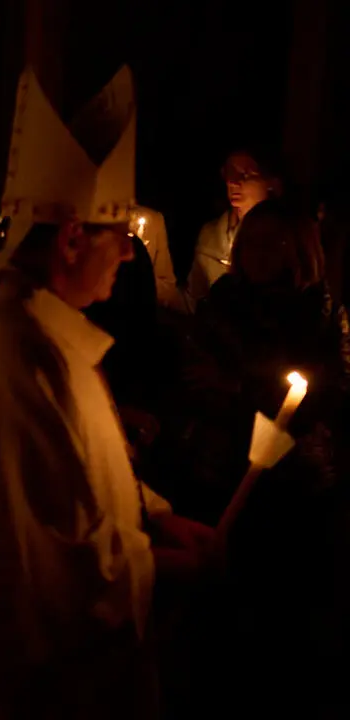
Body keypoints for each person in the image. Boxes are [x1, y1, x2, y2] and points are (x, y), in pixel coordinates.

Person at [0, 67, 211, 719]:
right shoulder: (16, 344)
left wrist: (155, 514)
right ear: (74, 238)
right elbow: (50, 560)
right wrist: (164, 563)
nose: (130, 257)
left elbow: (67, 468)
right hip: (18, 669)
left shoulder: (32, 321)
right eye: (120, 237)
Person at [179, 199, 347, 714]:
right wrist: (251, 391)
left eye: (268, 242)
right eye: (247, 240)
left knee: (283, 616)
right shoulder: (223, 303)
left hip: (295, 483)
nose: (252, 253)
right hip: (220, 471)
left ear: (297, 249)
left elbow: (327, 392)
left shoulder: (322, 312)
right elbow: (195, 378)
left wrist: (241, 385)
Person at [187, 149, 281, 306]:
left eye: (246, 174)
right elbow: (193, 301)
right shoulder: (211, 235)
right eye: (229, 173)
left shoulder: (284, 238)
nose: (233, 182)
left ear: (271, 183)